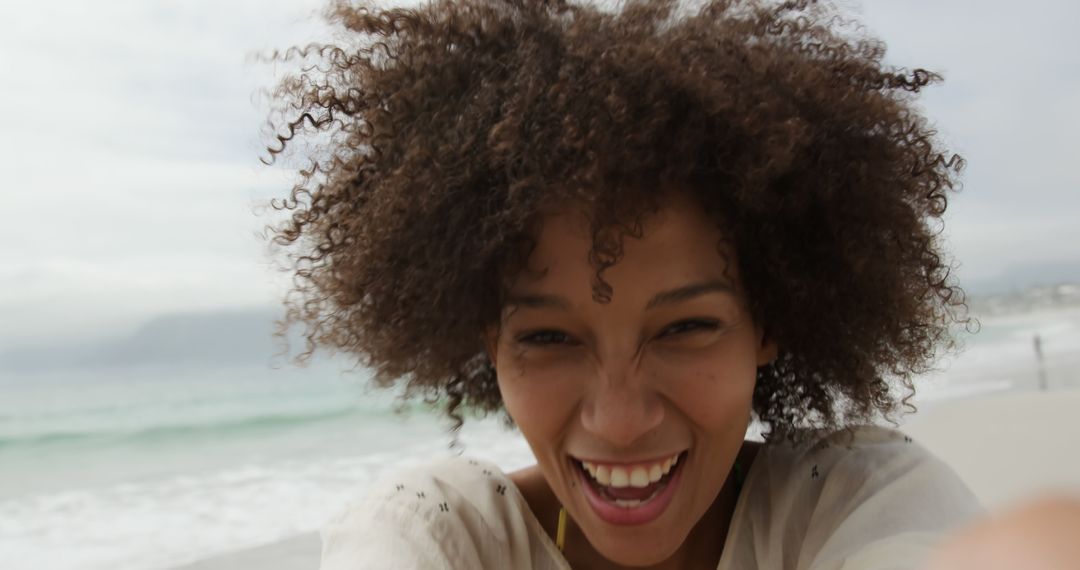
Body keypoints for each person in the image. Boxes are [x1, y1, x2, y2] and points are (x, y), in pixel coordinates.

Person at [262, 0, 996, 567]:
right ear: (489, 341)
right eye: (547, 337)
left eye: (684, 327)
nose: (618, 421)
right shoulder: (436, 533)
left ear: (768, 320)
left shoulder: (862, 505)